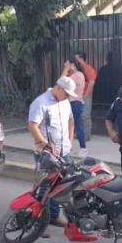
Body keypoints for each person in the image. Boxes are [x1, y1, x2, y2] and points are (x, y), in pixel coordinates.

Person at [27, 76, 77, 231]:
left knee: (61, 186)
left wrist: (69, 140)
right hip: (46, 153)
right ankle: (39, 222)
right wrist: (45, 144)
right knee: (44, 187)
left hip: (64, 151)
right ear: (59, 88)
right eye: (67, 93)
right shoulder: (41, 102)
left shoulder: (65, 102)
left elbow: (71, 121)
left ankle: (53, 216)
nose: (68, 97)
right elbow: (32, 125)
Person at [63, 59, 87, 158]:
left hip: (75, 103)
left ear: (73, 65)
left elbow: (62, 81)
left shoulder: (77, 75)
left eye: (69, 65)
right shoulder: (76, 75)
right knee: (70, 126)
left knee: (76, 126)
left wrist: (65, 69)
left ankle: (83, 148)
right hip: (73, 103)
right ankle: (70, 147)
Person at [74, 52, 96, 140]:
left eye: (76, 58)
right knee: (78, 115)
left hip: (84, 94)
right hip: (77, 95)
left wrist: (86, 95)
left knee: (85, 115)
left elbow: (91, 82)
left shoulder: (88, 69)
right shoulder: (77, 69)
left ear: (80, 58)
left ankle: (86, 136)